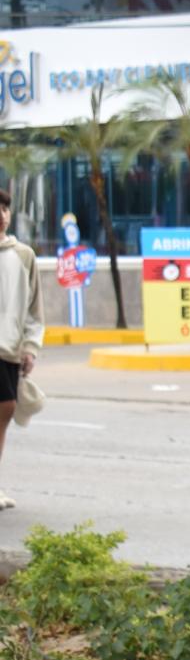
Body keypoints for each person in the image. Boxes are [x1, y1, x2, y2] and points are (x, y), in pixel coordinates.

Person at [0, 189, 44, 512]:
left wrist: (30, 347)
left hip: (8, 349)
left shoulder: (23, 255)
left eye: (4, 208)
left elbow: (34, 308)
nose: (1, 214)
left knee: (6, 409)